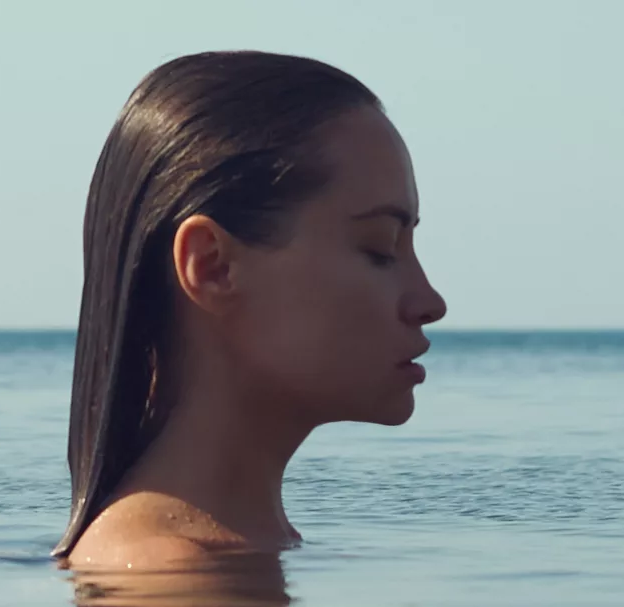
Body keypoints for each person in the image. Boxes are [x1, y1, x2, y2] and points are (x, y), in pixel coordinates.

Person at [52, 50, 447, 567]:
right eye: (378, 247)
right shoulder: (172, 578)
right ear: (213, 266)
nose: (430, 302)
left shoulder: (232, 554)